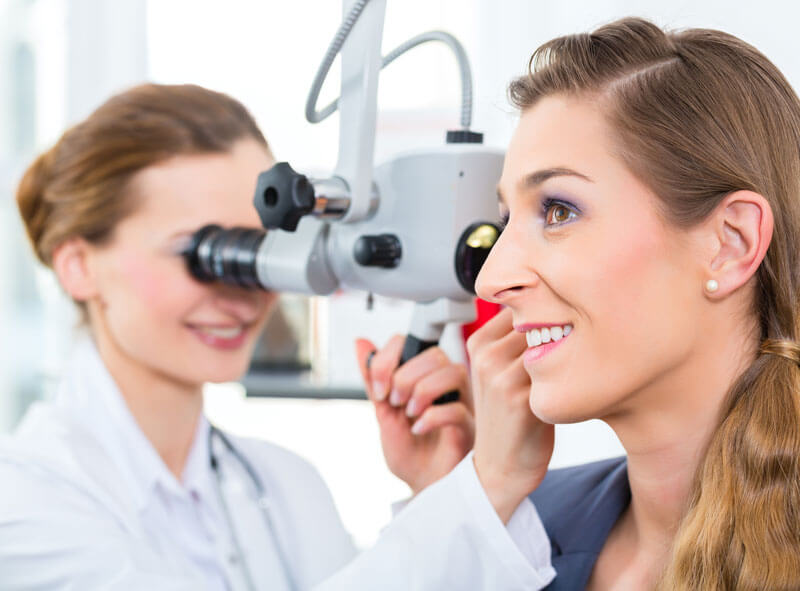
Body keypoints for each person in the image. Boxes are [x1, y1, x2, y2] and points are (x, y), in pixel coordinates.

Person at [0, 83, 555, 590]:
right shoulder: (25, 499)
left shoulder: (288, 484)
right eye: (203, 251)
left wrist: (436, 491)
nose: (243, 293)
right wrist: (486, 486)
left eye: (260, 255)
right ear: (78, 266)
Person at [465, 16, 800, 590]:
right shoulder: (526, 527)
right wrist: (475, 492)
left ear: (730, 243)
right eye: (504, 220)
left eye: (557, 210)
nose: (490, 279)